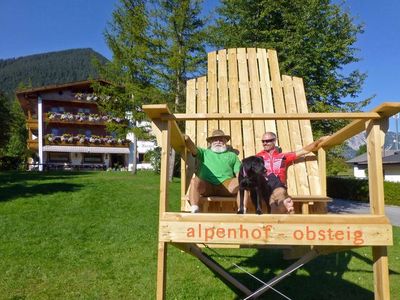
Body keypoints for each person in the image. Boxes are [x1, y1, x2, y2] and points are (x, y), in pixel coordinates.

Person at [255, 132, 328, 214]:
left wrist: (318, 141)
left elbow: (303, 151)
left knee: (278, 198)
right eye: (263, 141)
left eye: (268, 141)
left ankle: (284, 211)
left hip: (279, 187)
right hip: (265, 186)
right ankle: (286, 206)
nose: (265, 143)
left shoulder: (283, 157)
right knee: (280, 196)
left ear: (274, 141)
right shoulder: (258, 157)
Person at [185, 129, 241, 213]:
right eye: (215, 140)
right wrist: (187, 139)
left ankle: (242, 210)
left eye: (221, 139)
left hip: (226, 186)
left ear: (225, 141)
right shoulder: (204, 153)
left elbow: (239, 173)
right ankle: (194, 209)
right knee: (194, 181)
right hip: (207, 185)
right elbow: (193, 149)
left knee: (242, 180)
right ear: (210, 142)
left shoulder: (232, 156)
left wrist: (241, 180)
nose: (218, 142)